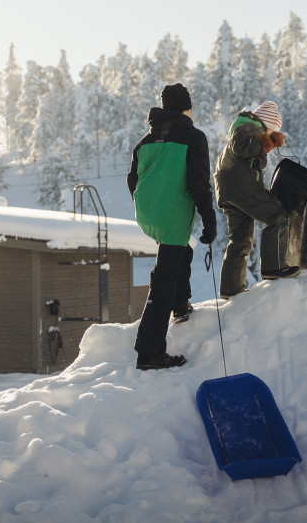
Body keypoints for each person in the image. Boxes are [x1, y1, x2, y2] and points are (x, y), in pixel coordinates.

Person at [127, 83, 216, 370]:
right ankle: (149, 351)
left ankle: (180, 304)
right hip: (173, 214)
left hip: (148, 212)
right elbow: (199, 183)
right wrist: (208, 217)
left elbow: (133, 180)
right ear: (186, 108)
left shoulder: (145, 140)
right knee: (164, 276)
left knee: (178, 251)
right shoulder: (193, 136)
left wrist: (150, 202)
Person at [214, 99, 297, 299]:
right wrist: (264, 141)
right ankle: (274, 267)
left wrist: (261, 191)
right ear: (267, 126)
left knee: (241, 238)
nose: (269, 137)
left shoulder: (246, 127)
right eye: (270, 132)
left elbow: (247, 167)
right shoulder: (248, 127)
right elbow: (241, 147)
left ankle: (230, 289)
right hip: (240, 188)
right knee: (277, 216)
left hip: (231, 189)